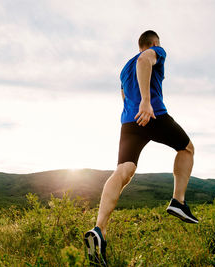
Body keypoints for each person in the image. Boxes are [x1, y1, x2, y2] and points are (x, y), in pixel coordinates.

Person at [84, 30, 198, 266]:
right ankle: (178, 200)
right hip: (151, 113)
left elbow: (124, 97)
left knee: (123, 171)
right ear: (154, 43)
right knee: (186, 149)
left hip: (129, 121)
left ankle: (99, 230)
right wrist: (146, 101)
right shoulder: (154, 51)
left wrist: (136, 108)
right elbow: (145, 60)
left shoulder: (124, 69)